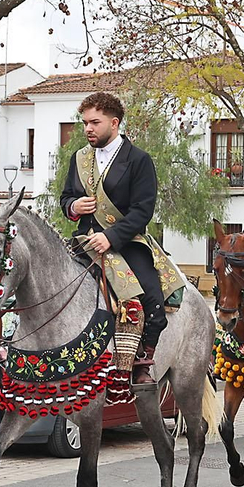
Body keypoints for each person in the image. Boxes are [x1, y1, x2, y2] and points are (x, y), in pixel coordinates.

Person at [60, 91, 169, 384]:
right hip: (84, 241)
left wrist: (111, 237)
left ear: (114, 122)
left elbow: (142, 210)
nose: (87, 129)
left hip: (127, 242)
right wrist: (73, 206)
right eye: (84, 123)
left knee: (152, 299)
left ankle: (143, 360)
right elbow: (66, 196)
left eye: (94, 122)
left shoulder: (139, 160)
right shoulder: (79, 158)